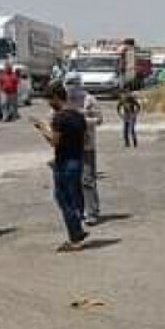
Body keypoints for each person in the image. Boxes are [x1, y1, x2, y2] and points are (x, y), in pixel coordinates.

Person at [34, 82, 89, 252]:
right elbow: (85, 139)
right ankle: (77, 227)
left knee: (63, 199)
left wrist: (42, 128)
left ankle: (75, 235)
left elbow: (54, 141)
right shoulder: (79, 115)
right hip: (77, 159)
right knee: (73, 196)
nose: (49, 103)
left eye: (50, 100)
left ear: (57, 97)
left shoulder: (60, 117)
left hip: (64, 162)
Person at [68, 78, 104, 226]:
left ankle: (92, 212)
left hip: (87, 144)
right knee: (73, 180)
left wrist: (83, 118)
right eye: (68, 83)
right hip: (70, 145)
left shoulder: (89, 100)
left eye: (73, 83)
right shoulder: (66, 99)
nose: (71, 87)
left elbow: (99, 119)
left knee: (87, 179)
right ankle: (79, 209)